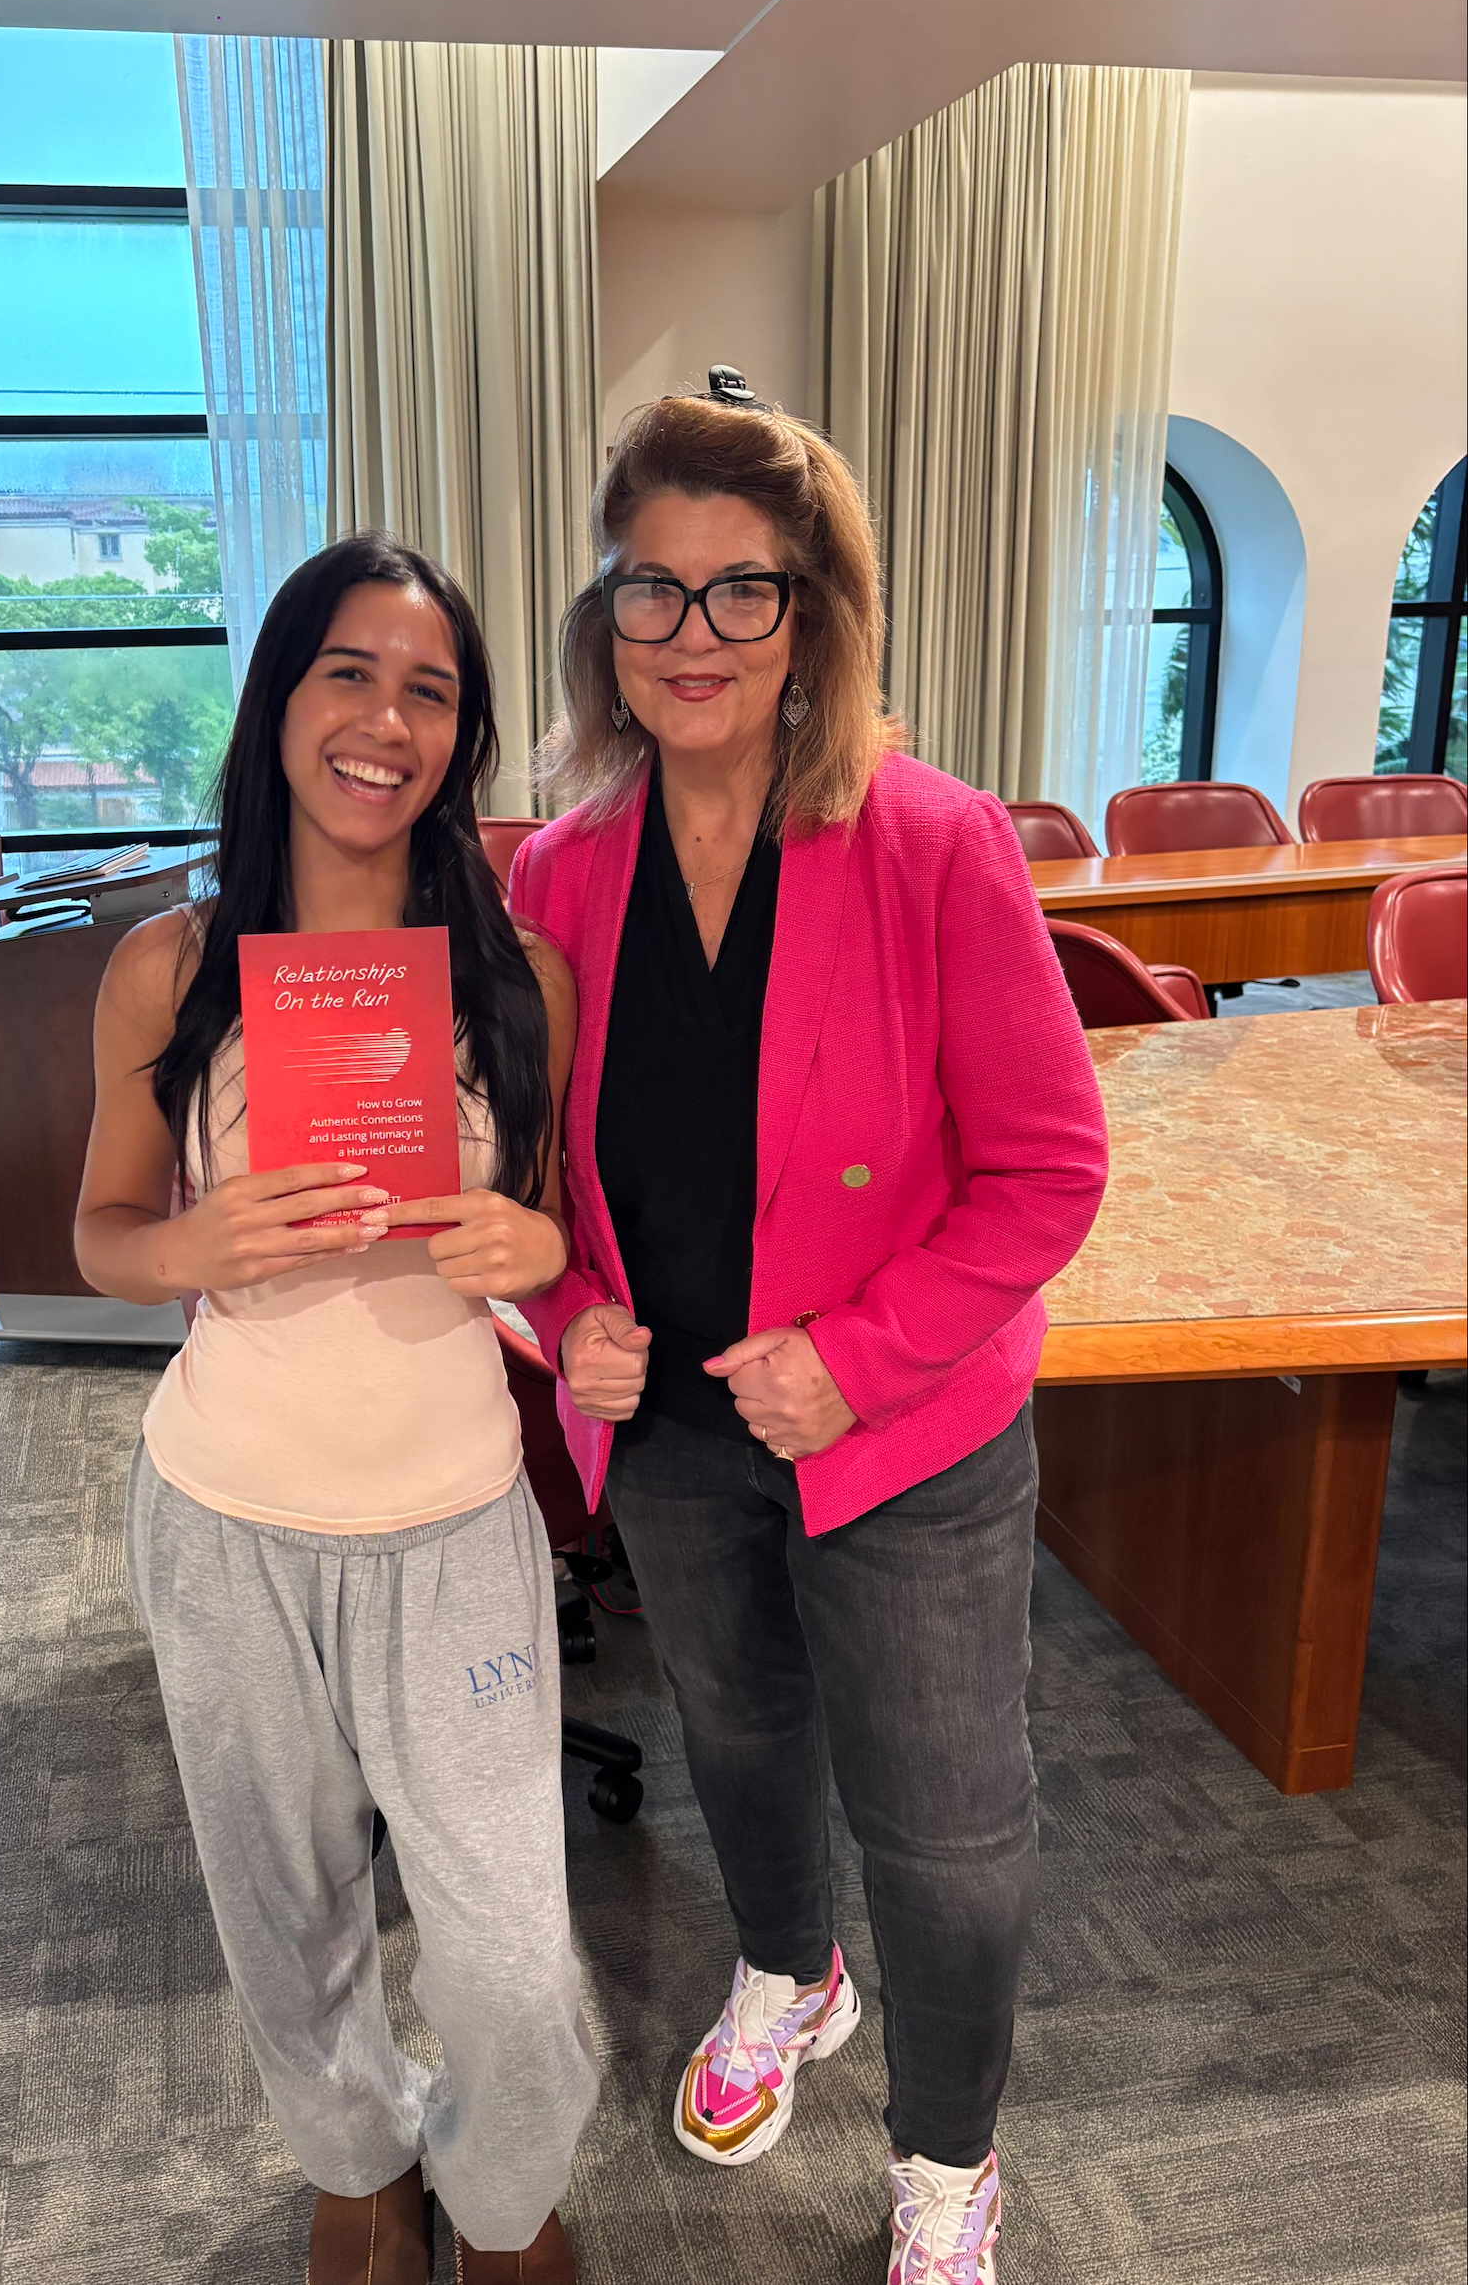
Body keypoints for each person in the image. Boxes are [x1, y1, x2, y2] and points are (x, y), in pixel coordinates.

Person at [509, 393, 1108, 2285]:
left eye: (741, 594)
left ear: (816, 615)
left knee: (942, 1821)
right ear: (605, 615)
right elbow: (510, 1180)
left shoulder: (931, 843)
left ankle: (950, 2160)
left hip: (902, 1429)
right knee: (741, 1738)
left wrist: (858, 1352)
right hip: (673, 1429)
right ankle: (787, 1968)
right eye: (652, 591)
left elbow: (1046, 1172)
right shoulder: (558, 872)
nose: (692, 637)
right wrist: (560, 1316)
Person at [75, 532, 594, 2285]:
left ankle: (507, 2186)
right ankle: (356, 2154)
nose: (386, 720)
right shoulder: (175, 968)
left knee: (513, 1951)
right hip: (226, 1516)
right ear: (279, 701)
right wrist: (189, 1245)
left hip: (450, 1523)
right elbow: (98, 1233)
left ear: (465, 735)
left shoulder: (520, 982)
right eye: (347, 674)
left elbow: (559, 1251)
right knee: (284, 1912)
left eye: (430, 690)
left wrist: (532, 1247)